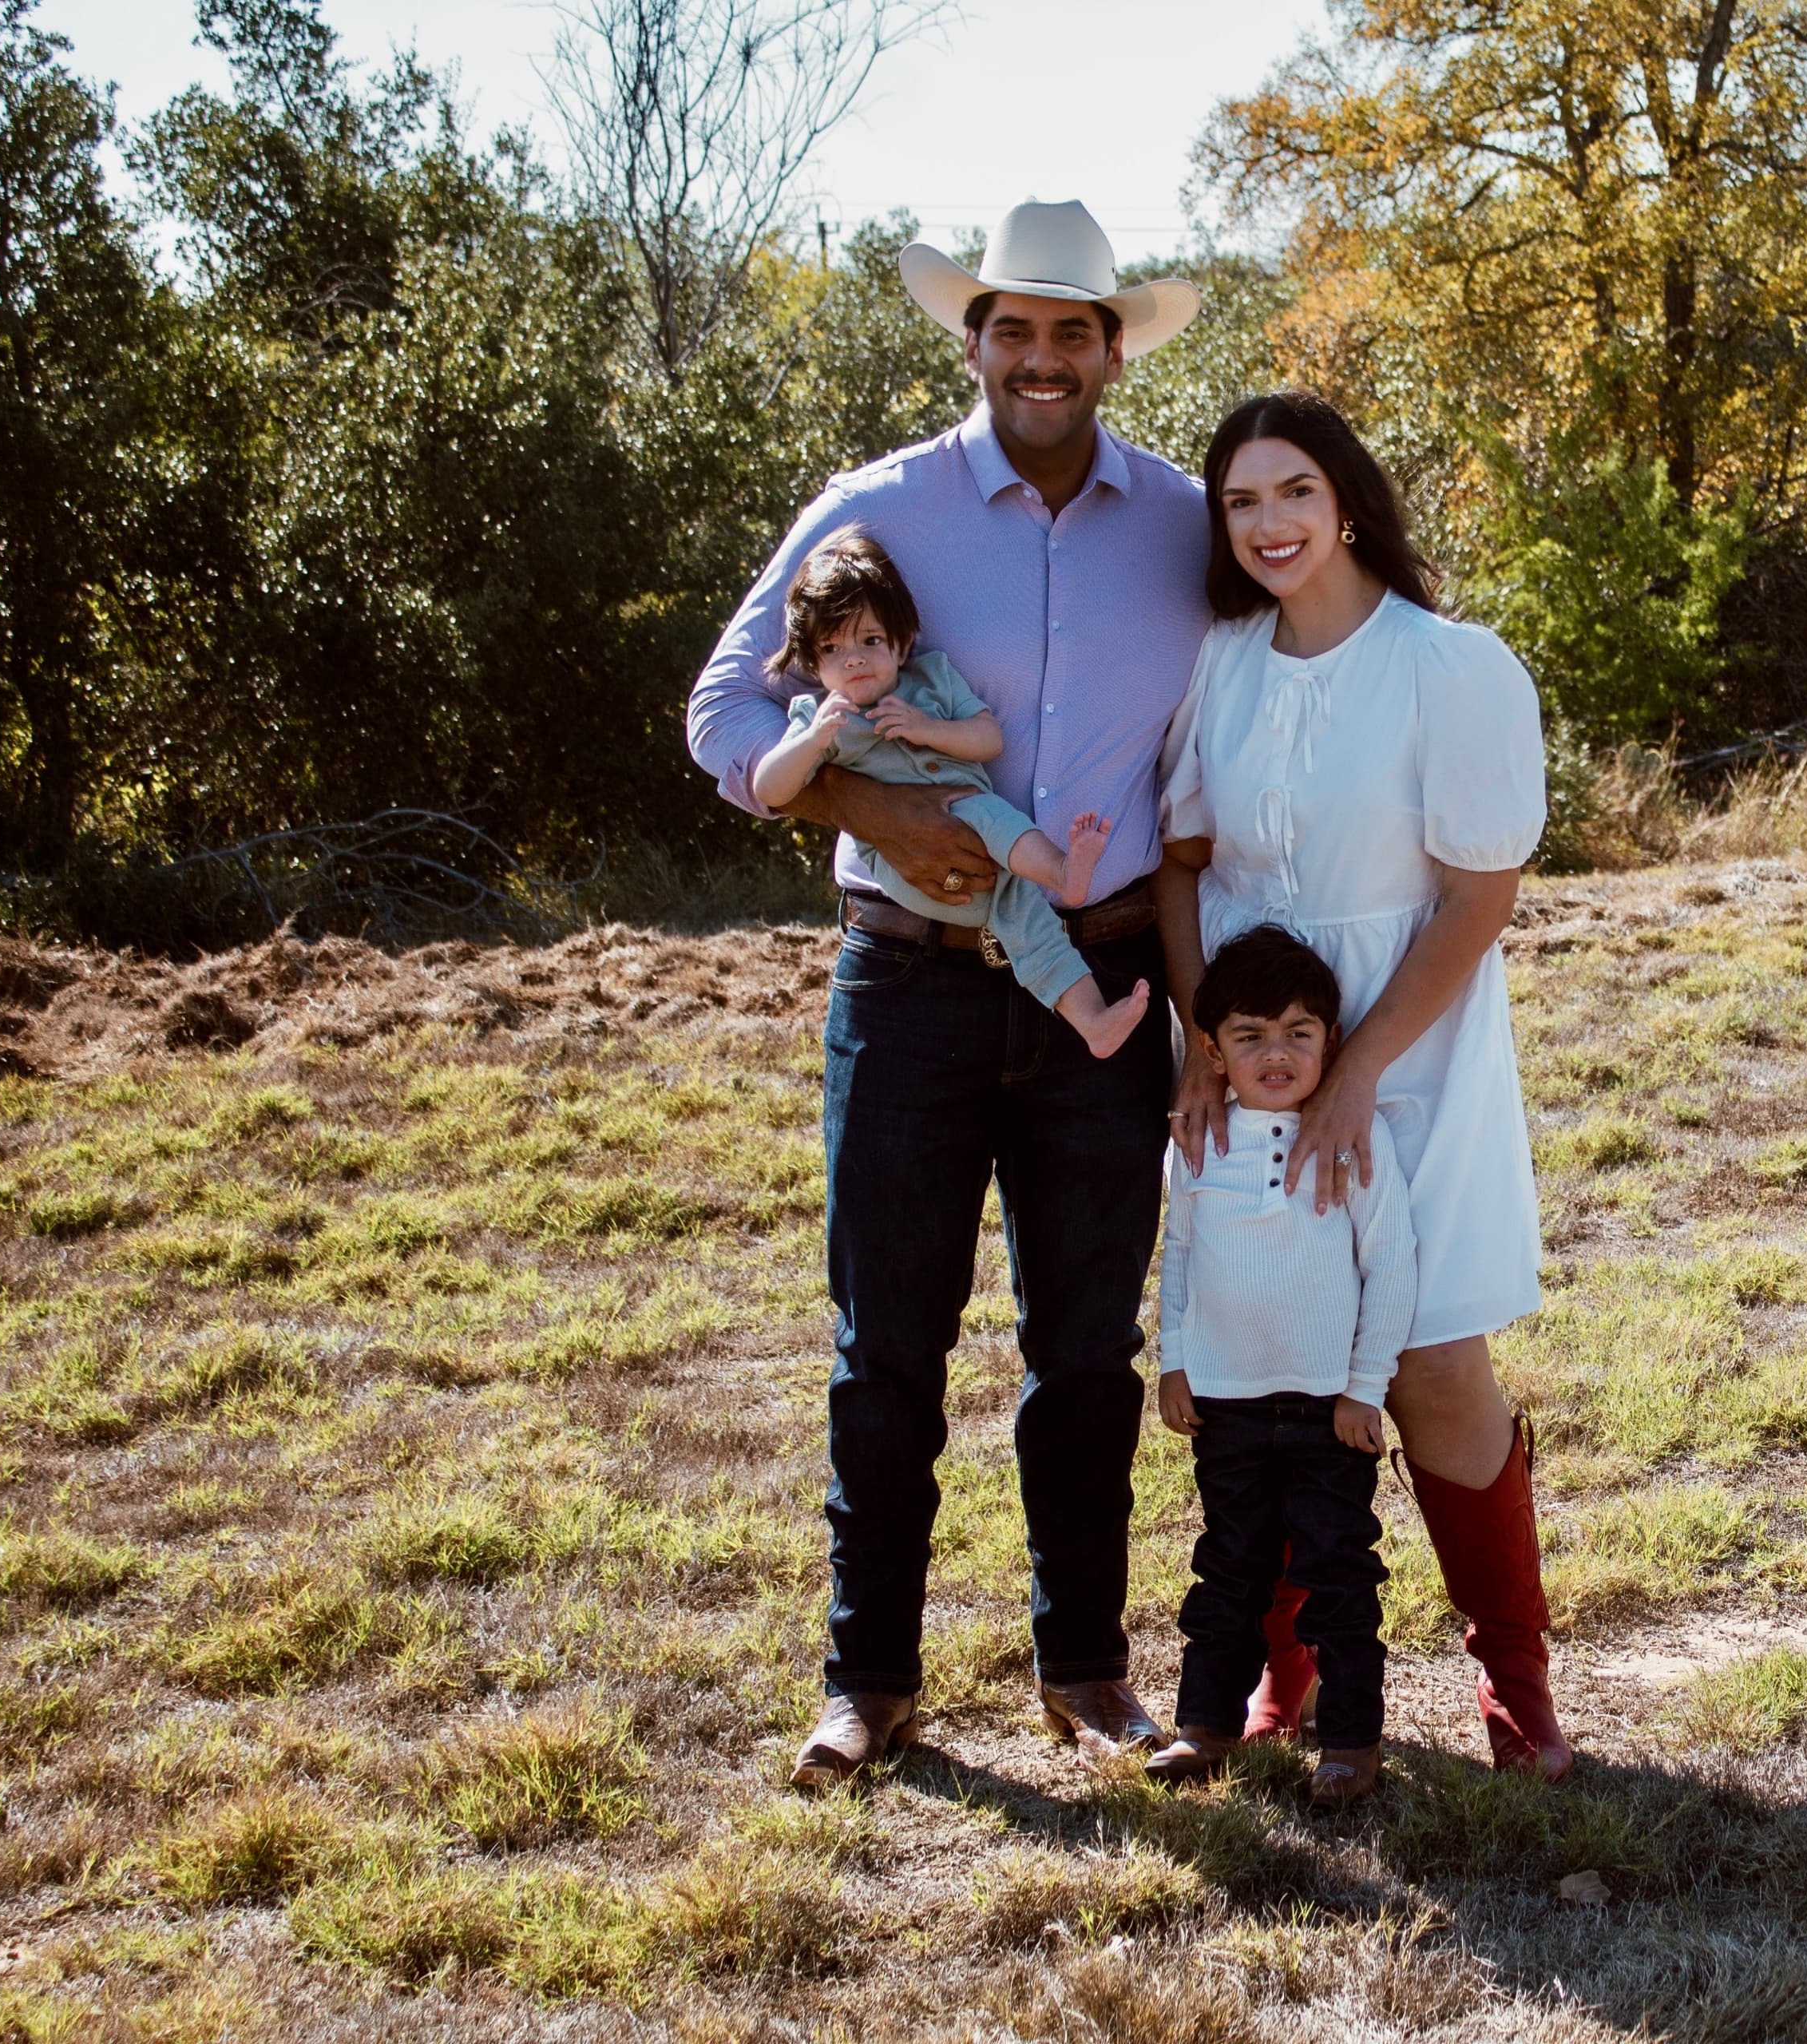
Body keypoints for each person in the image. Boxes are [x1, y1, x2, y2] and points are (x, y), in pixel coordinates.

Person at [686, 200, 1209, 1784]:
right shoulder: (881, 508)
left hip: (1099, 980)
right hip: (903, 986)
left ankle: (1091, 1675)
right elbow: (726, 709)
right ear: (973, 337)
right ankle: (869, 1681)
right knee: (885, 1347)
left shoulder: (1183, 524)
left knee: (1085, 1353)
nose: (1043, 357)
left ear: (1114, 347)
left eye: (1074, 330)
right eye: (1015, 327)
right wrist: (877, 809)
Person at [1156, 389, 1572, 1780]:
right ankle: (1292, 1674)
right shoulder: (1218, 663)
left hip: (1414, 1044)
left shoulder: (1446, 666)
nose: (1268, 523)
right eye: (1240, 502)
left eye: (1292, 492)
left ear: (1346, 497)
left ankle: (1516, 1684)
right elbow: (1182, 867)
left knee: (1436, 1362)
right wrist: (1201, 1052)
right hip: (1251, 1062)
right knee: (1264, 1356)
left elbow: (1477, 894)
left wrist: (1363, 1073)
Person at [1144, 927, 1414, 1808]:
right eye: (1251, 1034)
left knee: (1340, 1572)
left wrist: (1363, 1389)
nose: (1276, 1053)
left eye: (1300, 1032)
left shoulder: (1348, 1136)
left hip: (1324, 1411)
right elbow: (1177, 1255)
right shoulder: (1199, 1139)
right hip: (1223, 1404)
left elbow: (1391, 1265)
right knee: (1229, 1570)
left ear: (1330, 1042)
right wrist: (1174, 1365)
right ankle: (1205, 1727)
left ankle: (1348, 1742)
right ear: (1212, 1047)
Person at [749, 525, 1150, 1060]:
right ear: (810, 661)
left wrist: (924, 726)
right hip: (915, 879)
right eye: (832, 647)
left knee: (1028, 919)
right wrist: (813, 740)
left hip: (988, 854)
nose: (855, 660)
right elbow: (769, 788)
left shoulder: (932, 681)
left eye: (870, 640)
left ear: (903, 640)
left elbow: (988, 738)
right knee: (981, 814)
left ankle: (1093, 1020)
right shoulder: (820, 720)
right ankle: (1058, 871)